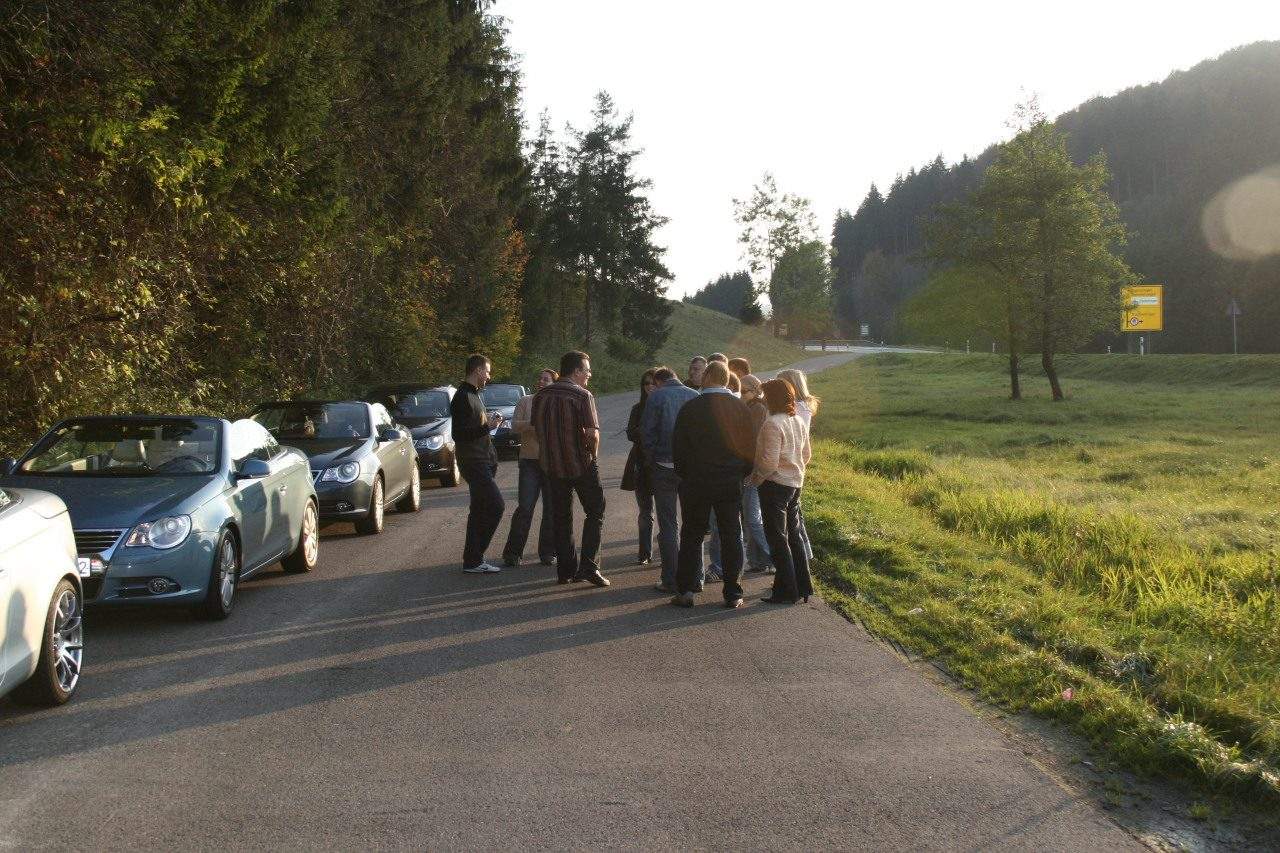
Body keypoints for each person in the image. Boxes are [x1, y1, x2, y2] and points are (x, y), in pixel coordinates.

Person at [670, 361, 755, 609]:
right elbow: (750, 447)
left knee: (692, 534)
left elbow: (679, 447)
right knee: (731, 534)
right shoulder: (740, 408)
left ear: (707, 376)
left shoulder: (691, 408)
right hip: (729, 480)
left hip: (696, 480)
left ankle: (686, 589)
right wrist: (741, 473)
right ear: (727, 379)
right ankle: (733, 592)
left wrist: (685, 474)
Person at [533, 351, 610, 587]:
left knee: (561, 517)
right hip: (581, 464)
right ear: (576, 371)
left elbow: (537, 429)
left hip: (552, 467)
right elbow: (592, 433)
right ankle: (589, 567)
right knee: (595, 511)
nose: (589, 374)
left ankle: (565, 571)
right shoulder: (582, 395)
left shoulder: (541, 395)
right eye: (587, 370)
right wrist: (593, 456)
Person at [750, 378, 814, 604]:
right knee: (794, 537)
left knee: (777, 538)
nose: (763, 399)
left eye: (765, 396)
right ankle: (803, 586)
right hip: (795, 483)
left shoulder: (772, 424)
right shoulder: (797, 420)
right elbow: (807, 455)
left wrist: (756, 479)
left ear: (772, 398)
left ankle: (787, 590)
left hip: (775, 485)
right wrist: (795, 469)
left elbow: (769, 462)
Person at [641, 366, 699, 593]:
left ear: (658, 381)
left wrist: (651, 460)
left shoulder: (656, 397)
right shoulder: (695, 395)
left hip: (663, 466)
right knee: (692, 523)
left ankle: (671, 579)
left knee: (668, 524)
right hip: (691, 468)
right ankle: (696, 578)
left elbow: (647, 433)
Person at [451, 353, 506, 574]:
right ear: (478, 370)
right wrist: (487, 426)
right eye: (487, 372)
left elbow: (474, 427)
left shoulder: (474, 395)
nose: (489, 377)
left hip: (483, 460)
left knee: (479, 510)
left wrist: (489, 423)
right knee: (496, 505)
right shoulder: (462, 397)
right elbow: (458, 435)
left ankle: (472, 561)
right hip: (473, 462)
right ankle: (475, 557)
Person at [501, 368, 558, 568]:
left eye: (546, 379)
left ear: (554, 383)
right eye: (540, 378)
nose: (541, 381)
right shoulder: (525, 401)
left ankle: (548, 552)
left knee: (551, 509)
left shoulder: (557, 403)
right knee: (525, 507)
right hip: (529, 462)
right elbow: (515, 426)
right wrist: (535, 423)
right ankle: (513, 553)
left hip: (552, 462)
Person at [777, 368, 820, 561]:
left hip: (791, 462)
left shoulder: (798, 408)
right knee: (794, 511)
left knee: (793, 514)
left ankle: (803, 555)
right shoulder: (804, 406)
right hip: (796, 461)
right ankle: (804, 554)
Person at [621, 368, 659, 565]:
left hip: (661, 465)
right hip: (641, 464)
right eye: (646, 383)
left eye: (653, 383)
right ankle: (645, 553)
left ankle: (669, 550)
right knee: (645, 511)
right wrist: (648, 432)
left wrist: (643, 432)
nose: (650, 387)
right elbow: (630, 433)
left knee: (666, 512)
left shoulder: (664, 405)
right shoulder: (638, 408)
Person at [739, 374, 772, 573]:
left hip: (754, 470)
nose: (741, 395)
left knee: (752, 518)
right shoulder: (750, 407)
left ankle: (775, 558)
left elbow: (755, 441)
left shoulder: (757, 408)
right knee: (750, 518)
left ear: (755, 391)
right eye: (740, 391)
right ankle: (757, 560)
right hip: (749, 468)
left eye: (745, 391)